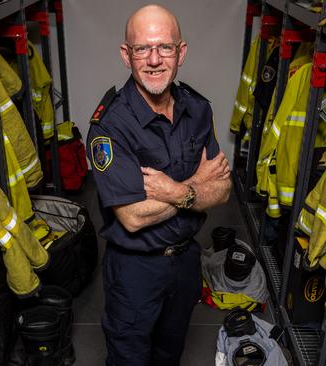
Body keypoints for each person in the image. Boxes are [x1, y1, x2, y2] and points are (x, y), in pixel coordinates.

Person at [86, 4, 232, 366]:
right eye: (142, 49)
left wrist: (176, 190)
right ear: (126, 55)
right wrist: (197, 187)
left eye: (165, 47)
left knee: (170, 353)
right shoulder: (109, 126)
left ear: (181, 52)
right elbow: (134, 216)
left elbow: (224, 189)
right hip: (136, 270)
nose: (153, 60)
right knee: (130, 358)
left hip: (186, 262)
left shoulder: (198, 110)